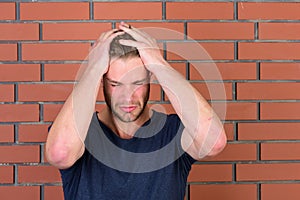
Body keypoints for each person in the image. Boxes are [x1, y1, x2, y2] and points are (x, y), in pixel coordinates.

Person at [45, 22, 227, 200]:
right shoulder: (80, 133)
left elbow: (214, 142)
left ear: (150, 78)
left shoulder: (173, 132)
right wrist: (93, 68)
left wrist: (157, 62)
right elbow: (60, 153)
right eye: (116, 84)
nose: (127, 97)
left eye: (137, 83)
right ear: (102, 81)